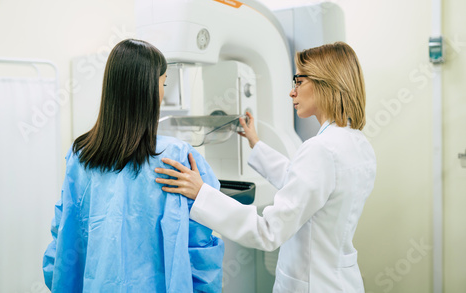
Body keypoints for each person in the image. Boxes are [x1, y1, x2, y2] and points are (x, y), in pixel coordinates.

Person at [155, 42, 377, 292]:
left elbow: (268, 231)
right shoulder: (358, 143)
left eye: (298, 81)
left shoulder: (320, 149)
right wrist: (256, 143)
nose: (292, 92)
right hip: (342, 281)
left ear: (324, 82)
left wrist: (202, 194)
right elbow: (306, 186)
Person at [42, 39, 224, 292]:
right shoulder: (176, 157)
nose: (163, 92)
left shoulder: (81, 154)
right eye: (164, 83)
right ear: (148, 90)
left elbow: (63, 237)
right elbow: (199, 244)